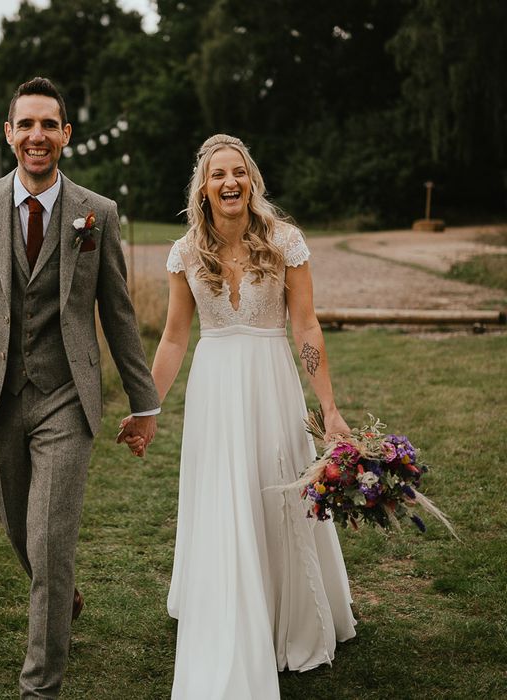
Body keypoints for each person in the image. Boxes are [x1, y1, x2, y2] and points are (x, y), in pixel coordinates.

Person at [0, 77, 159, 699]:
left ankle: (38, 687)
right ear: (9, 133)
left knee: (49, 542)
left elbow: (117, 311)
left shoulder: (97, 213)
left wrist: (144, 401)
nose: (37, 136)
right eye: (27, 125)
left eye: (50, 125)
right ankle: (62, 596)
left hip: (67, 397)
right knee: (20, 531)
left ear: (66, 135)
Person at [122, 134, 356, 698]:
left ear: (251, 181)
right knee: (224, 495)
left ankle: (287, 617)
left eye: (239, 173)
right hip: (215, 386)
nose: (230, 183)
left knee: (275, 490)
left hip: (271, 381)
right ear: (202, 189)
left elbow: (305, 327)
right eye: (217, 175)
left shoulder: (284, 242)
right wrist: (147, 407)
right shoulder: (185, 253)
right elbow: (176, 338)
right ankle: (229, 607)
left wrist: (328, 406)